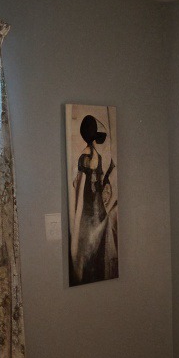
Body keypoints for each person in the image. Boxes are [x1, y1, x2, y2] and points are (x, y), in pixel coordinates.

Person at [69, 114, 116, 283]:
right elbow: (86, 184)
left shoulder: (90, 155)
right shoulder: (92, 155)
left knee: (92, 248)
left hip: (92, 211)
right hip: (94, 210)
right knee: (92, 248)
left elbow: (88, 186)